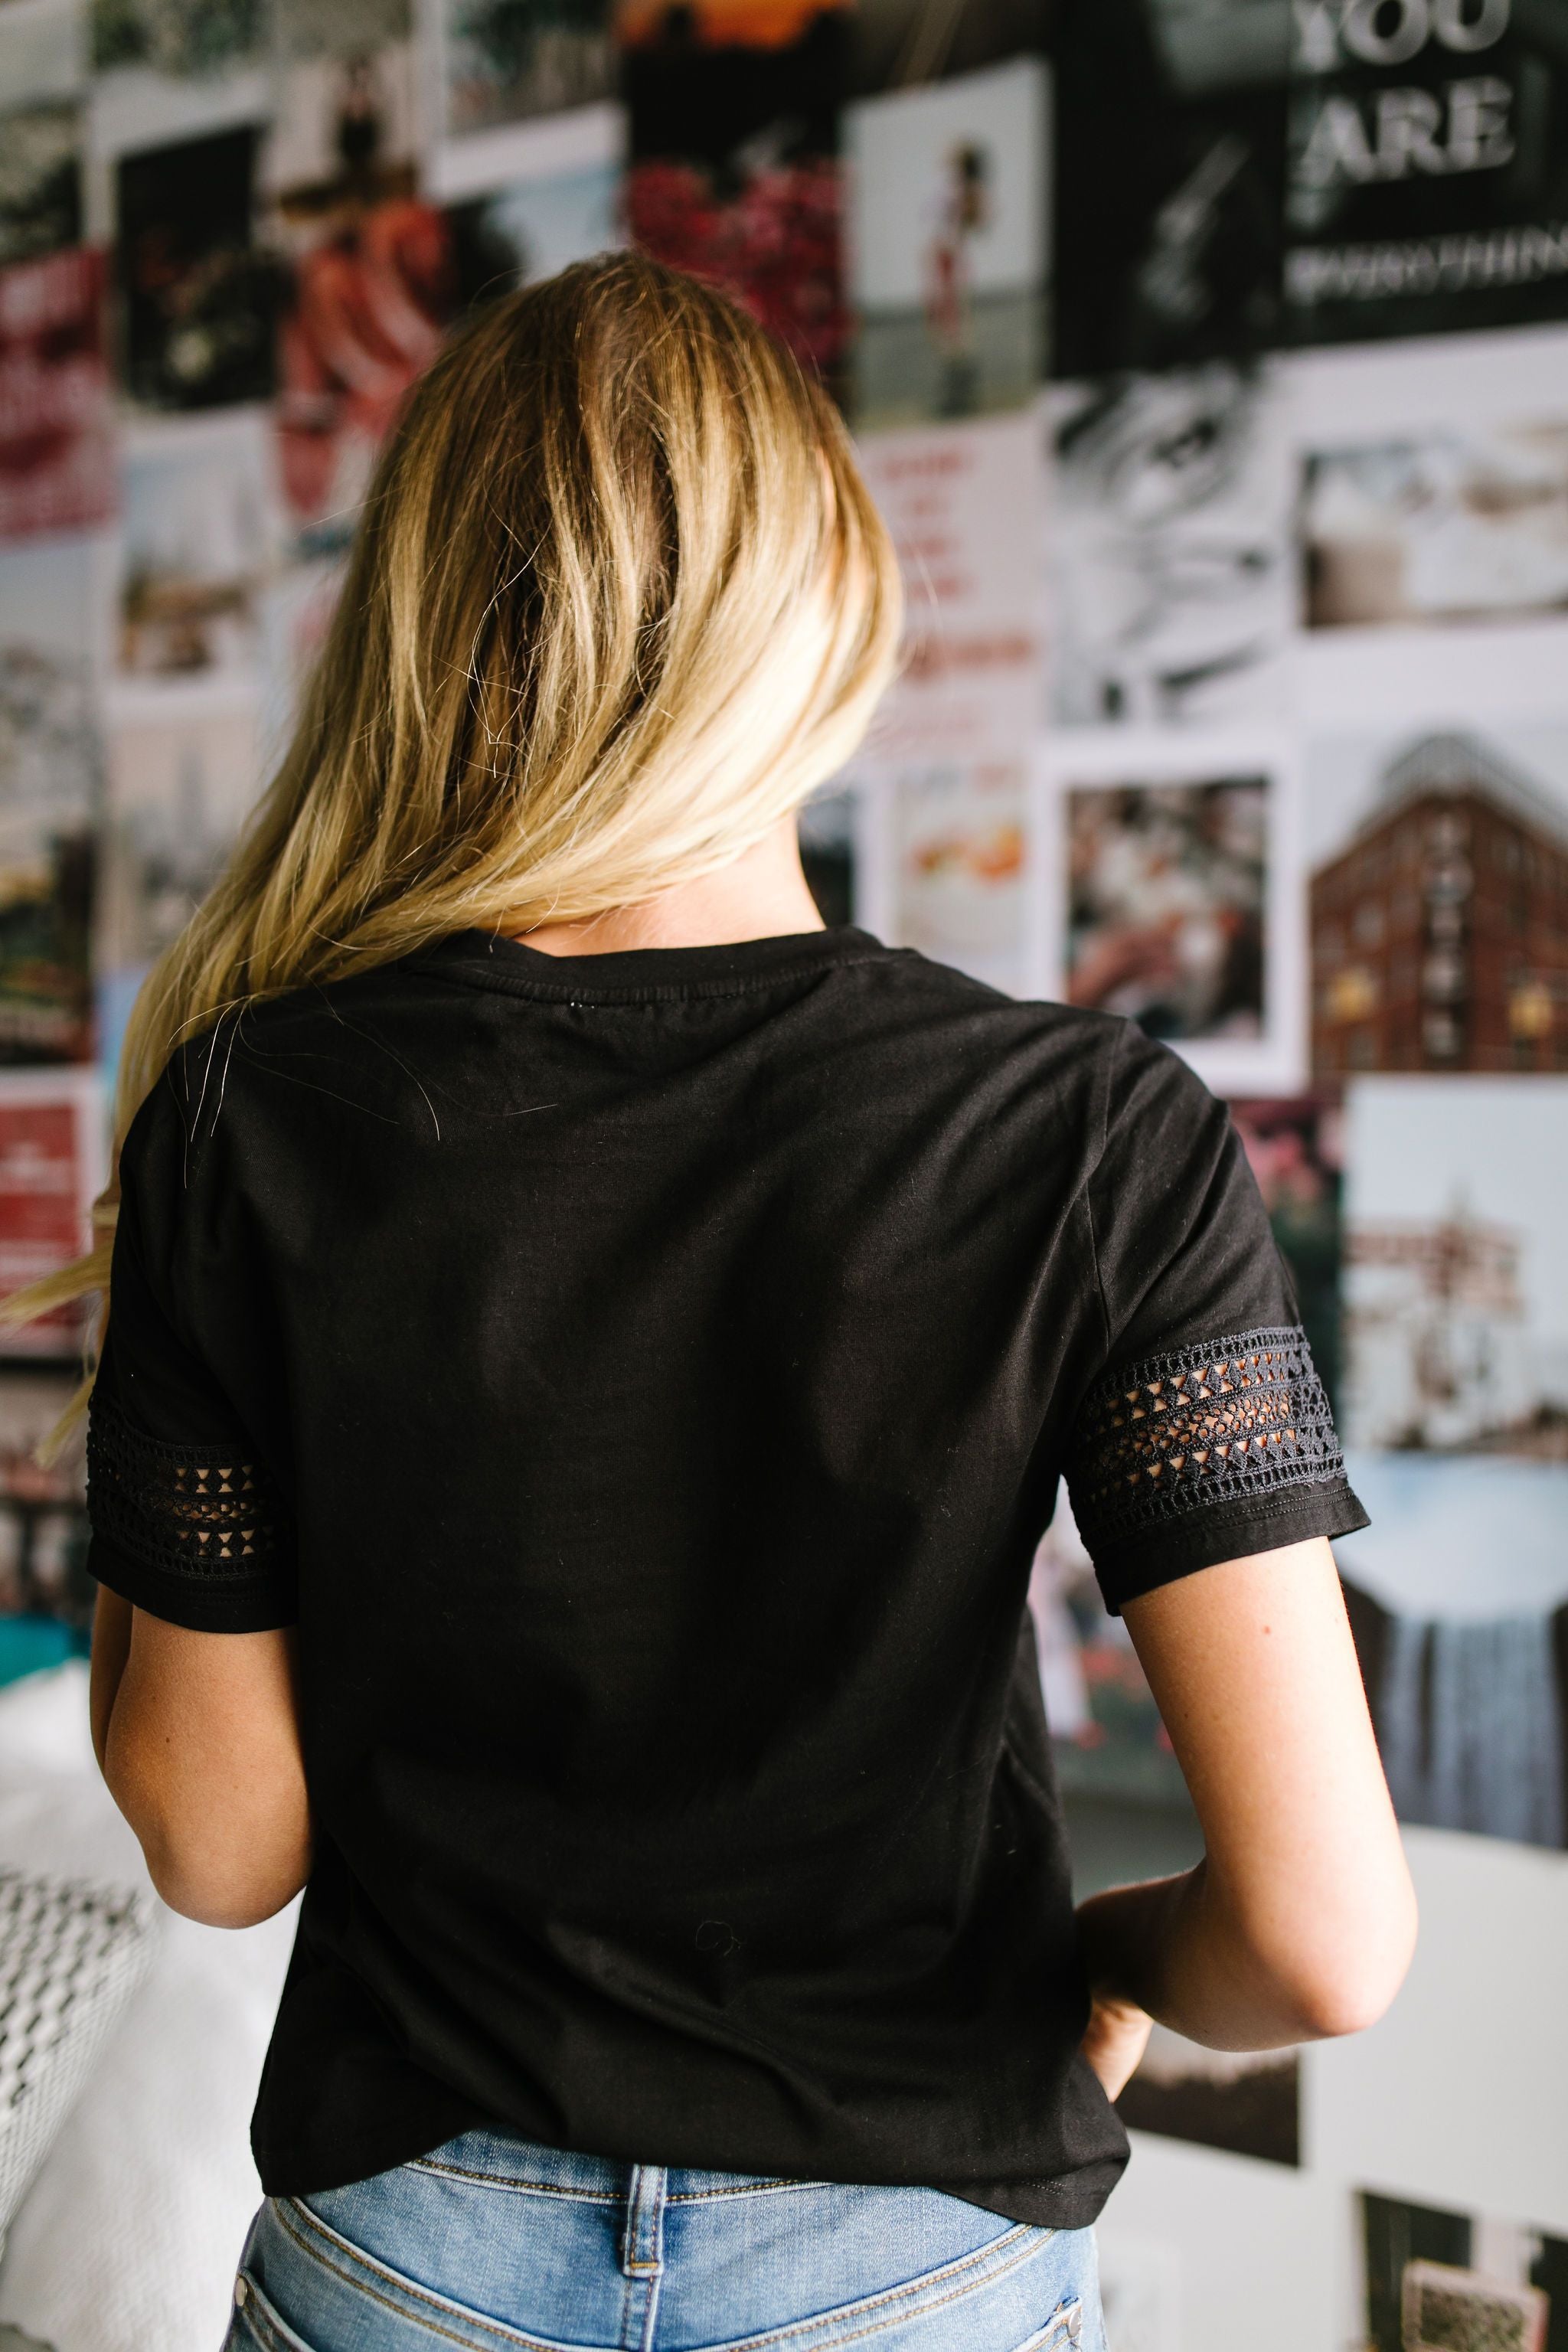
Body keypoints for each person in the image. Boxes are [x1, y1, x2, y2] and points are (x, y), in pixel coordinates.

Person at [60, 257, 1413, 2350]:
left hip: (422, 2250)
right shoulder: (1094, 1135)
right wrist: (1114, 1964)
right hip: (914, 2253)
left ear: (430, 637)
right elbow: (1326, 1947)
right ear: (829, 620)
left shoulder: (249, 1115)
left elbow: (226, 1853)